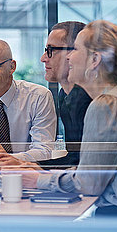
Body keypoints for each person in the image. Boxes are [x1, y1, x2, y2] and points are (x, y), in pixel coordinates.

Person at [0, 20, 117, 216]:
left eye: (76, 49)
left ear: (94, 60)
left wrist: (36, 178)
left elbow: (89, 183)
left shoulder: (104, 105)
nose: (69, 57)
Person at [39, 21, 91, 167]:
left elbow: (82, 163)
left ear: (74, 53)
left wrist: (31, 166)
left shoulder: (89, 99)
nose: (43, 58)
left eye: (51, 50)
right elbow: (74, 158)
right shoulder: (65, 95)